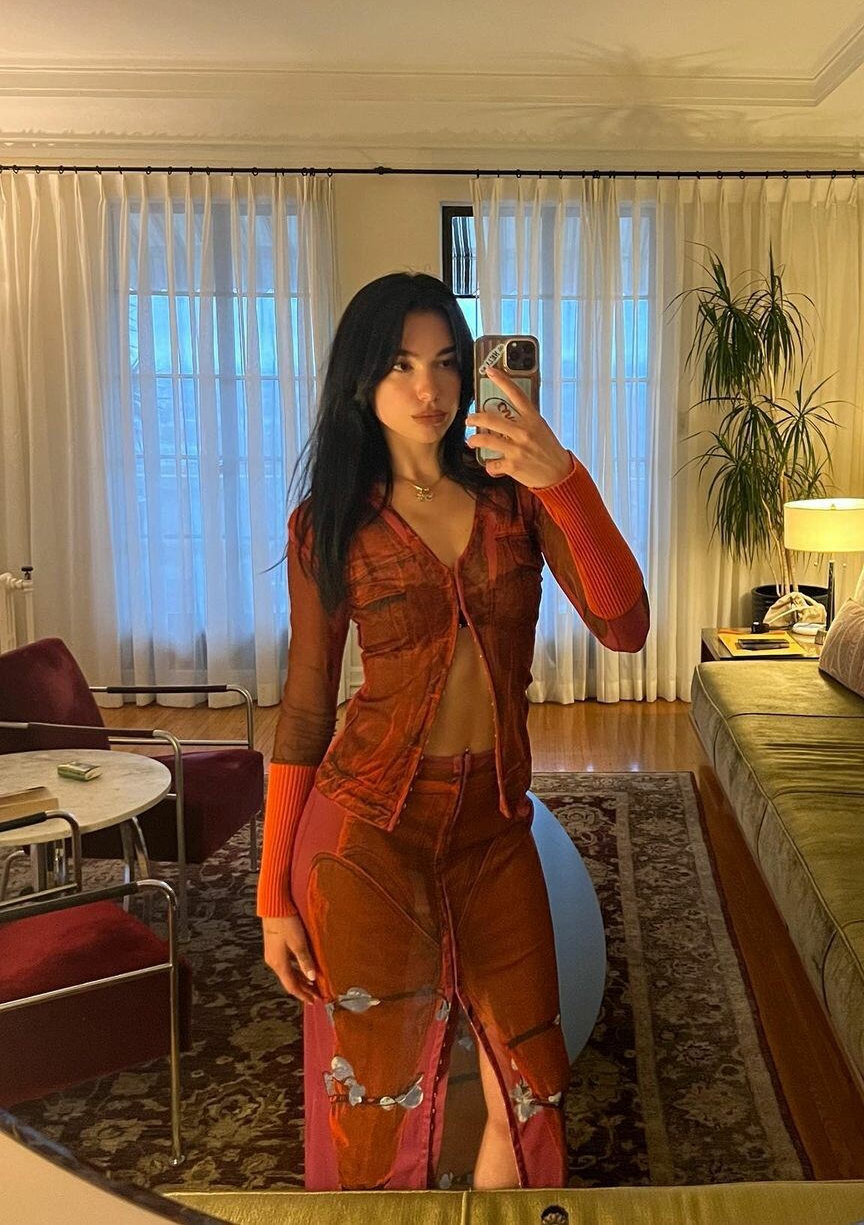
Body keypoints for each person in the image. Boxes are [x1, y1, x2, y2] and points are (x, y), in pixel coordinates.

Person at [257, 272, 649, 1192]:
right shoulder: (329, 524)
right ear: (361, 380)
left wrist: (565, 481)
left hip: (493, 829)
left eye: (444, 362)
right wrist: (273, 894)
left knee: (535, 1088)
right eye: (400, 365)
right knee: (376, 1104)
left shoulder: (519, 499)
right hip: (367, 834)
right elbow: (306, 708)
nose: (428, 388)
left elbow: (625, 626)